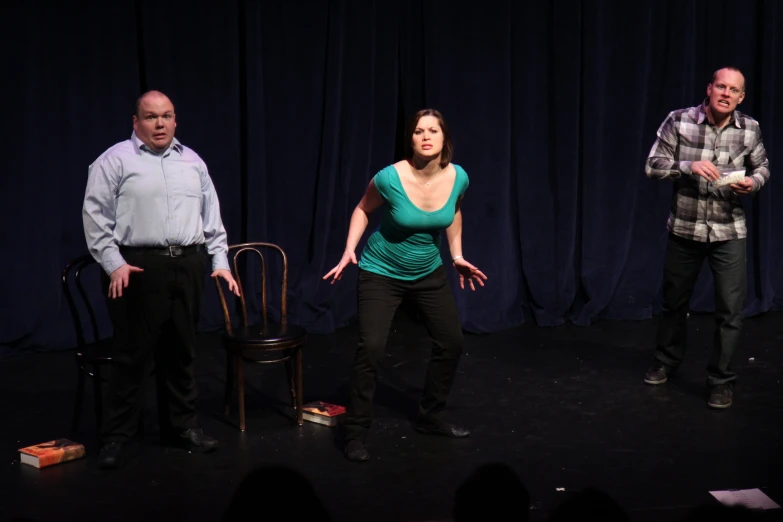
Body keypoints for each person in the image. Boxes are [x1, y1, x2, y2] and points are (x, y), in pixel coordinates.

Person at [82, 90, 240, 469]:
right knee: (132, 356)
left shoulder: (192, 161)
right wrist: (113, 264)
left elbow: (211, 216)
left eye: (166, 116)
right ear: (136, 122)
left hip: (186, 265)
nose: (160, 124)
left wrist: (220, 259)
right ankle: (117, 436)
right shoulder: (114, 160)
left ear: (175, 121)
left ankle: (182, 427)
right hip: (137, 267)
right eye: (151, 117)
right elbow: (95, 217)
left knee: (181, 351)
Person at [323, 108, 487, 461]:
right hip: (381, 271)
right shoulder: (389, 178)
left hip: (428, 272)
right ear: (410, 139)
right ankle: (355, 432)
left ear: (445, 138)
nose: (425, 136)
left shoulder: (459, 178)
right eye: (418, 131)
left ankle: (430, 416)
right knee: (372, 348)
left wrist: (457, 256)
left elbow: (453, 212)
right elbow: (363, 209)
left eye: (432, 130)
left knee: (452, 342)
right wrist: (349, 250)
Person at [643, 67, 770, 409]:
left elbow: (762, 168)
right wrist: (689, 165)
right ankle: (666, 360)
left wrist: (753, 183)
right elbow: (653, 165)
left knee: (730, 310)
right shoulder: (680, 120)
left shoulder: (750, 129)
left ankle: (720, 380)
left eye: (734, 90)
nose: (726, 93)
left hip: (729, 230)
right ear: (710, 89)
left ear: (741, 97)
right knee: (674, 302)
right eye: (721, 86)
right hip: (686, 227)